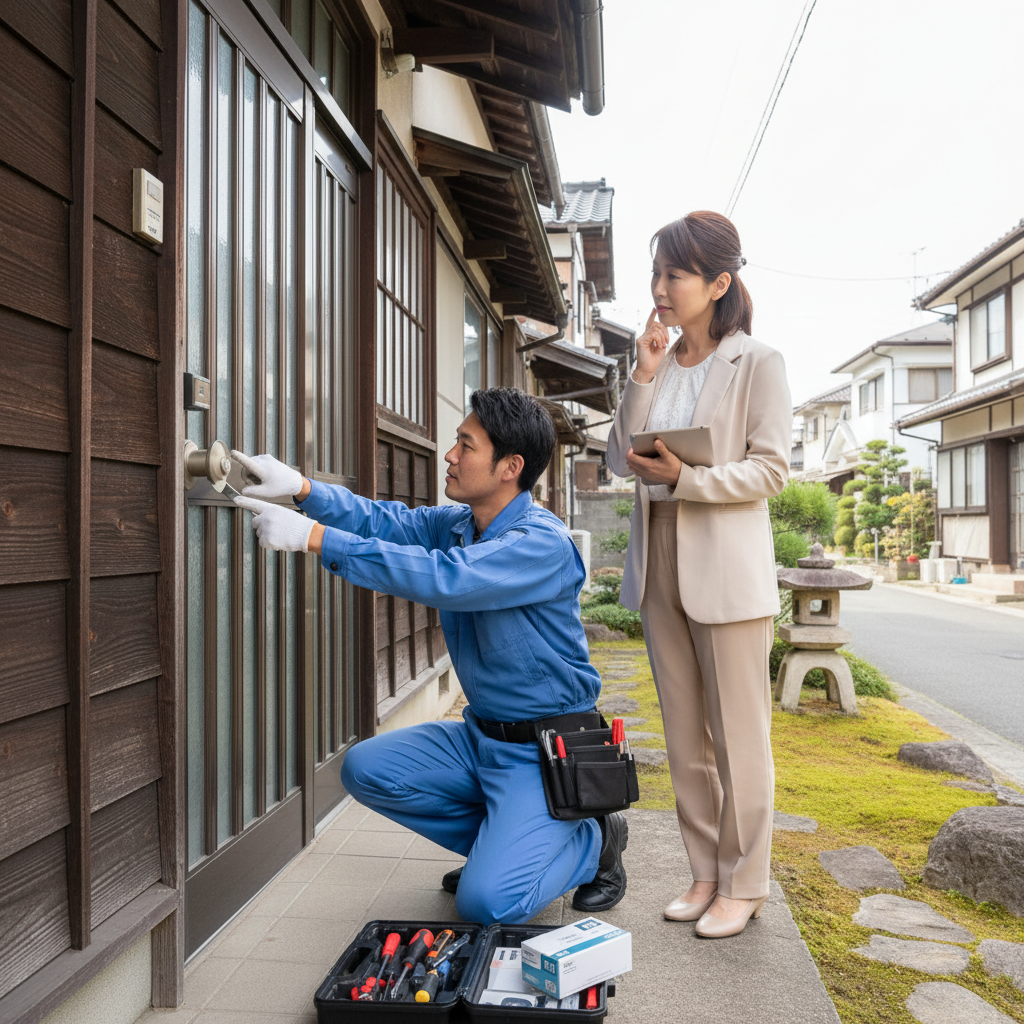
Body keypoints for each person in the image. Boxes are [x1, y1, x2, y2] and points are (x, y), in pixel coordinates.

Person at [232, 387, 627, 925]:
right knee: (366, 769)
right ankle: (502, 850)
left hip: (543, 754)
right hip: (480, 738)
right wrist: (303, 489)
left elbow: (450, 579)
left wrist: (316, 538)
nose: (450, 455)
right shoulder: (461, 525)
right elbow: (386, 522)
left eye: (466, 445)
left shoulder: (540, 544)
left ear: (510, 467)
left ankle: (593, 841)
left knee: (487, 904)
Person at [606, 211, 791, 938]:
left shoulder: (758, 362)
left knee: (738, 736)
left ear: (718, 283)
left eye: (675, 275)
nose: (660, 288)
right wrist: (643, 375)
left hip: (725, 562)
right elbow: (619, 458)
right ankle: (706, 873)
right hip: (659, 554)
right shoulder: (653, 360)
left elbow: (771, 470)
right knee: (685, 736)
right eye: (656, 273)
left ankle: (746, 884)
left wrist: (687, 479)